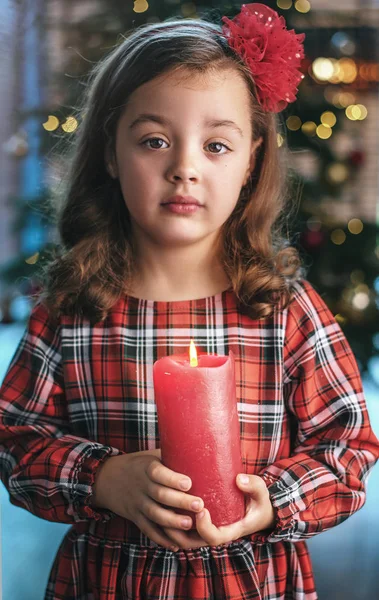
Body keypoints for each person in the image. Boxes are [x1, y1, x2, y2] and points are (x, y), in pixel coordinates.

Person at [1, 3, 378, 599]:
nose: (184, 168)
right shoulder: (74, 310)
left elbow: (348, 448)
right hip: (109, 582)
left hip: (251, 582)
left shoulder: (283, 310)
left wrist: (267, 502)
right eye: (154, 140)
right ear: (109, 152)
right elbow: (17, 439)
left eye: (216, 146)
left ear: (252, 160)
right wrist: (101, 478)